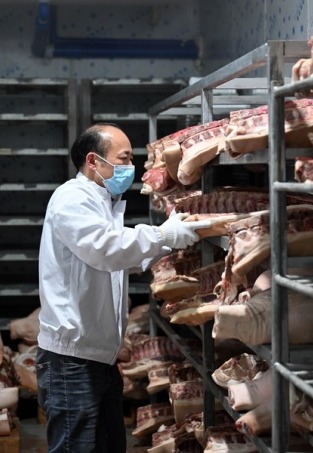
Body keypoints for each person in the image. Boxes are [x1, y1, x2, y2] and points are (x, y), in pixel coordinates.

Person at [36, 123, 210, 452]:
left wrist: (167, 243)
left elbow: (119, 261)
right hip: (72, 360)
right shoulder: (72, 199)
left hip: (98, 356)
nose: (131, 167)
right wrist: (162, 235)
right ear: (93, 160)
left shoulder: (103, 201)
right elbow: (105, 248)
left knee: (108, 445)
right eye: (124, 158)